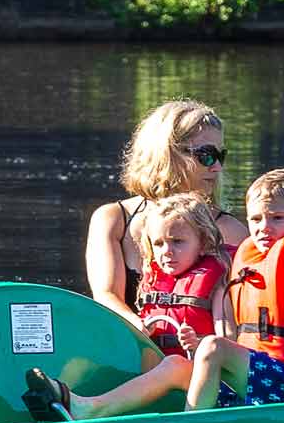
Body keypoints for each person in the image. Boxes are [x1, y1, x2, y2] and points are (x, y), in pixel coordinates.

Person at [28, 163, 284, 421]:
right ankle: (86, 409)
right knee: (176, 365)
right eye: (255, 219)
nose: (263, 229)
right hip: (264, 379)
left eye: (277, 219)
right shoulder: (257, 261)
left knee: (212, 347)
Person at [86, 99, 248, 338]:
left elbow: (240, 319)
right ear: (167, 153)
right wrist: (140, 328)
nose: (217, 168)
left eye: (219, 156)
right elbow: (106, 295)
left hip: (195, 363)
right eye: (206, 155)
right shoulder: (113, 220)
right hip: (128, 347)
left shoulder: (230, 231)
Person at [130, 193, 233, 358]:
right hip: (154, 366)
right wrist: (139, 327)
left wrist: (198, 343)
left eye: (177, 241)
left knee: (174, 365)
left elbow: (227, 341)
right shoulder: (152, 276)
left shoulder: (219, 281)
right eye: (158, 243)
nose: (167, 251)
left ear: (204, 243)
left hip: (193, 368)